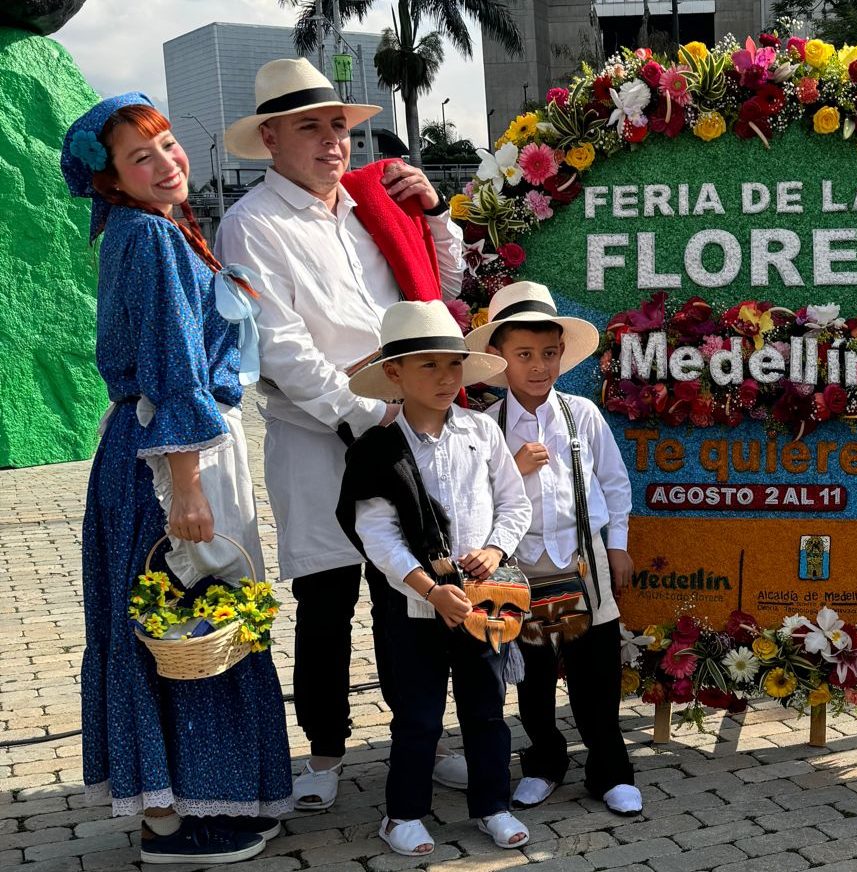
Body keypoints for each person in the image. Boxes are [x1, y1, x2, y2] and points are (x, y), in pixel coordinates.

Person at [216, 57, 469, 809]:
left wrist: (434, 215)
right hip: (319, 439)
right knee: (326, 605)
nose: (333, 143)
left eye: (338, 126)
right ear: (270, 139)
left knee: (414, 599)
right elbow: (282, 345)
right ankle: (324, 757)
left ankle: (419, 739)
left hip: (403, 430)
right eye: (311, 128)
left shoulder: (370, 206)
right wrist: (369, 414)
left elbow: (441, 293)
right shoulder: (249, 224)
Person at [64, 93, 292, 864]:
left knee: (185, 619)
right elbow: (173, 364)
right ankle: (177, 815)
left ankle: (186, 800)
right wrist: (187, 485)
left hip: (170, 446)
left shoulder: (158, 231)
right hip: (168, 457)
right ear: (111, 179)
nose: (165, 164)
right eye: (141, 157)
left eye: (167, 146)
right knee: (186, 616)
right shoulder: (151, 239)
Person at [334, 300, 533, 855]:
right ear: (394, 374)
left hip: (485, 598)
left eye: (452, 365)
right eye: (428, 366)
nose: (445, 378)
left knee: (486, 710)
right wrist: (428, 587)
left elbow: (513, 505)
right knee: (418, 715)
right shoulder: (377, 450)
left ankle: (493, 804)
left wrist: (495, 550)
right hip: (416, 607)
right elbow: (376, 532)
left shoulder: (480, 433)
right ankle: (403, 814)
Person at [466, 282, 643, 816]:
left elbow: (613, 482)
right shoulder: (486, 426)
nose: (538, 366)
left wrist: (619, 546)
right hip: (520, 571)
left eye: (548, 353)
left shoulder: (581, 414)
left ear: (562, 354)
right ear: (498, 358)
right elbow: (473, 501)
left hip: (581, 562)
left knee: (595, 672)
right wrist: (513, 471)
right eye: (524, 355)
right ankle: (543, 761)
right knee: (534, 674)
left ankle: (610, 769)